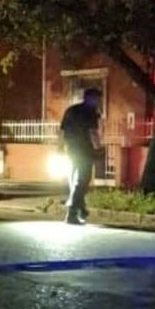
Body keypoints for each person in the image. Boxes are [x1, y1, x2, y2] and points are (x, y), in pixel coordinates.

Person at [58, 88, 103, 225]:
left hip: (71, 149)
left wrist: (60, 147)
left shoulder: (71, 110)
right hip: (85, 150)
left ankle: (81, 208)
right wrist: (99, 148)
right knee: (82, 180)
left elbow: (62, 131)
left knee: (74, 179)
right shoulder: (90, 112)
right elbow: (93, 132)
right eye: (98, 99)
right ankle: (72, 212)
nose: (99, 102)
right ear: (92, 99)